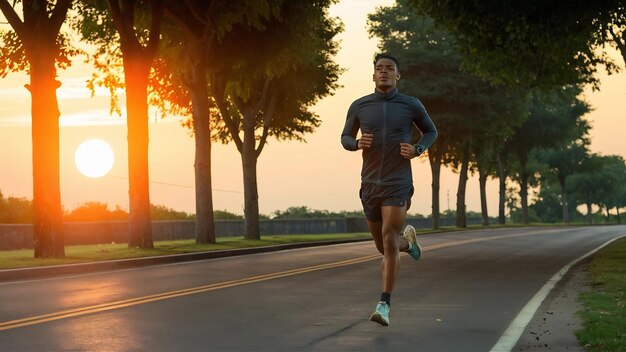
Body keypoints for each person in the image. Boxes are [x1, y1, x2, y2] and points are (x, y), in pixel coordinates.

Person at [341, 54, 437, 326]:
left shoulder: (410, 104)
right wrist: (356, 143)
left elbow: (431, 131)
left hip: (398, 182)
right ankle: (410, 243)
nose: (384, 72)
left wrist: (418, 149)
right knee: (385, 247)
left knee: (388, 236)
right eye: (379, 69)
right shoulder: (360, 106)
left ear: (398, 75)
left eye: (389, 68)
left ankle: (384, 304)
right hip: (370, 184)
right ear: (373, 76)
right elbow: (345, 137)